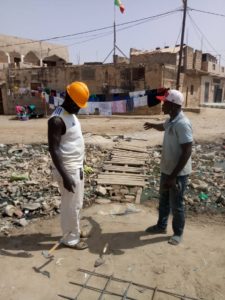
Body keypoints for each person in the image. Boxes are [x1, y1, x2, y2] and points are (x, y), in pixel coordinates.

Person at [144, 89, 193, 245]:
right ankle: (161, 226)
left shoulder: (182, 124)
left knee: (176, 204)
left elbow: (187, 151)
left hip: (177, 173)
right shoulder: (171, 120)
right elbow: (163, 127)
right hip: (167, 169)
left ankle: (178, 233)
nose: (162, 105)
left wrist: (173, 176)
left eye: (165, 103)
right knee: (163, 200)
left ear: (173, 105)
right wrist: (152, 125)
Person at [48, 81, 89, 250]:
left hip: (76, 166)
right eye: (77, 105)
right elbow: (54, 149)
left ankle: (75, 230)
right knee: (70, 205)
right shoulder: (57, 120)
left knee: (76, 203)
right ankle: (71, 238)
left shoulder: (70, 113)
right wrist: (65, 176)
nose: (79, 109)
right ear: (69, 99)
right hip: (68, 169)